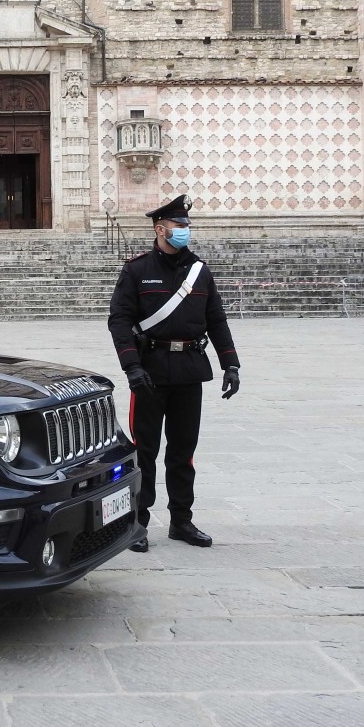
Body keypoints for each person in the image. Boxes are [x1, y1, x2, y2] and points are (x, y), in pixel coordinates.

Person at [107, 194, 241, 553]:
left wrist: (230, 363)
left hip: (189, 371)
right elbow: (119, 320)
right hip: (149, 372)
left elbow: (216, 319)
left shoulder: (200, 271)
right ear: (160, 229)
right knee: (145, 451)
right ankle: (137, 522)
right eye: (179, 225)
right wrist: (131, 367)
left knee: (183, 452)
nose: (185, 230)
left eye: (186, 225)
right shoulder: (136, 270)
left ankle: (181, 520)